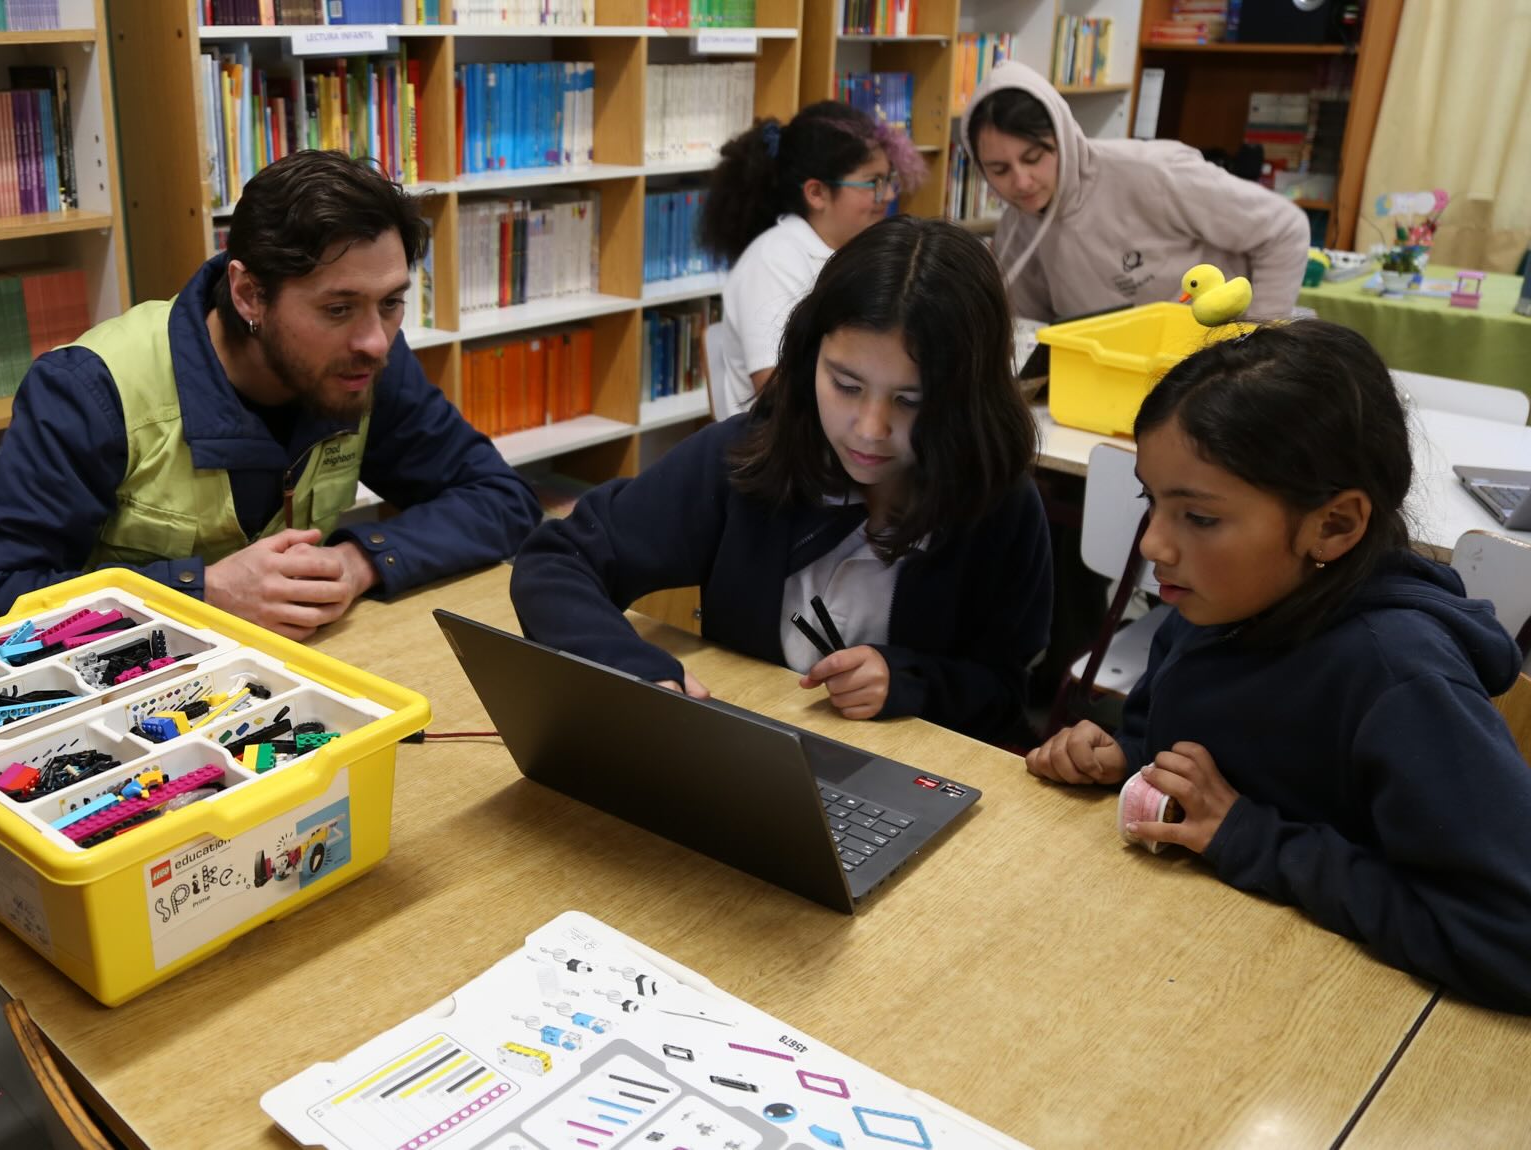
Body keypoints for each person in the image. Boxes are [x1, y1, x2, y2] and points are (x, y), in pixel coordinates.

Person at [1026, 321, 1531, 1013]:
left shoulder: (1401, 680)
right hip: (1196, 967)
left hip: (1333, 1023)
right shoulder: (1217, 606)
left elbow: (1511, 939)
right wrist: (1124, 758)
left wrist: (1249, 838)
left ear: (1333, 526)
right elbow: (1180, 746)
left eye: (1199, 518)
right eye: (1152, 501)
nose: (1154, 544)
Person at [0, 150, 542, 639]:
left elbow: (501, 500)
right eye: (338, 307)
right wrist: (199, 592)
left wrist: (361, 562)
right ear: (247, 295)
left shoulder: (363, 360)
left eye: (392, 303)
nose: (375, 340)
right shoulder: (91, 391)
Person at [511, 216, 1051, 743]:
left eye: (911, 401)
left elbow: (1005, 692)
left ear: (965, 400)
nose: (869, 429)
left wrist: (912, 682)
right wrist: (633, 668)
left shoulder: (999, 504)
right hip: (750, 754)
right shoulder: (747, 454)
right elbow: (558, 561)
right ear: (809, 356)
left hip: (917, 781)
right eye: (845, 384)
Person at [961, 61, 1310, 323]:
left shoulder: (1151, 172)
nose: (1022, 182)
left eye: (1034, 158)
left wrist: (1256, 345)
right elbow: (1032, 333)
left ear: (1063, 137)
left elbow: (1285, 229)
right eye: (999, 170)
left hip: (1215, 367)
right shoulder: (1015, 233)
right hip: (1124, 379)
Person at [702, 101, 927, 413]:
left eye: (888, 180)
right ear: (817, 193)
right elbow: (777, 393)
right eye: (872, 183)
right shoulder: (772, 261)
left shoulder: (856, 251)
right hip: (785, 448)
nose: (888, 195)